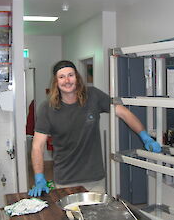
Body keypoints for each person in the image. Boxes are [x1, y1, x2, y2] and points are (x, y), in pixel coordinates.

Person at [28, 60, 161, 197]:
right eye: (62, 77)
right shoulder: (47, 108)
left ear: (77, 77)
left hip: (95, 180)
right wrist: (39, 178)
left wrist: (145, 137)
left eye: (70, 75)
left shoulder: (93, 96)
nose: (67, 80)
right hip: (65, 180)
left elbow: (123, 112)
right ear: (56, 81)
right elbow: (37, 146)